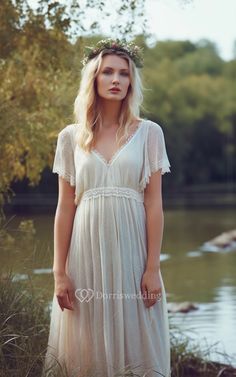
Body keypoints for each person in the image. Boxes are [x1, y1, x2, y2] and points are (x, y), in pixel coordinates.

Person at [44, 38, 171, 377]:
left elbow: (154, 204)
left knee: (137, 328)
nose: (116, 80)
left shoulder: (149, 134)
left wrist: (152, 268)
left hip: (133, 246)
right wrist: (59, 273)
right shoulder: (70, 137)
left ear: (132, 82)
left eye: (124, 74)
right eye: (108, 72)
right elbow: (65, 207)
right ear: (94, 79)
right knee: (85, 337)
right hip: (84, 249)